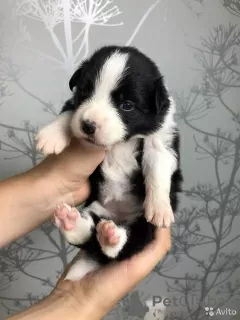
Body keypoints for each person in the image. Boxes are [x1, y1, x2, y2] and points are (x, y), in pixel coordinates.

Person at [0, 139, 171, 320]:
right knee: (99, 222)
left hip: (132, 210)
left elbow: (163, 159)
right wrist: (78, 302)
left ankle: (104, 238)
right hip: (105, 200)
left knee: (132, 232)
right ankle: (87, 230)